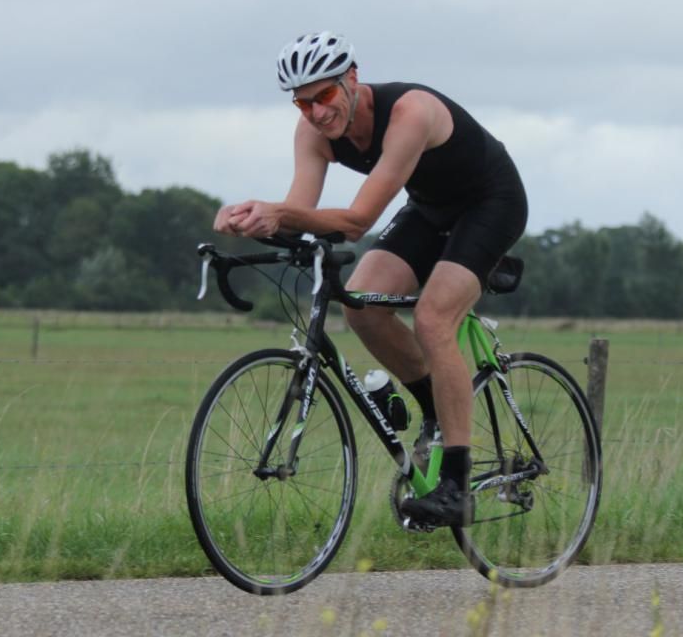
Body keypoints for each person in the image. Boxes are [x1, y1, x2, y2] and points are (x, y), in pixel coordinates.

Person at [214, 31, 528, 526]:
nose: (317, 113)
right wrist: (252, 219)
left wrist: (279, 213)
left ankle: (456, 485)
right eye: (302, 103)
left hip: (491, 203)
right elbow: (300, 210)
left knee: (432, 318)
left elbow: (358, 221)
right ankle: (435, 415)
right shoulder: (314, 134)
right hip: (430, 208)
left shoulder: (410, 113)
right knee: (360, 302)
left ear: (352, 79)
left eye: (325, 96)